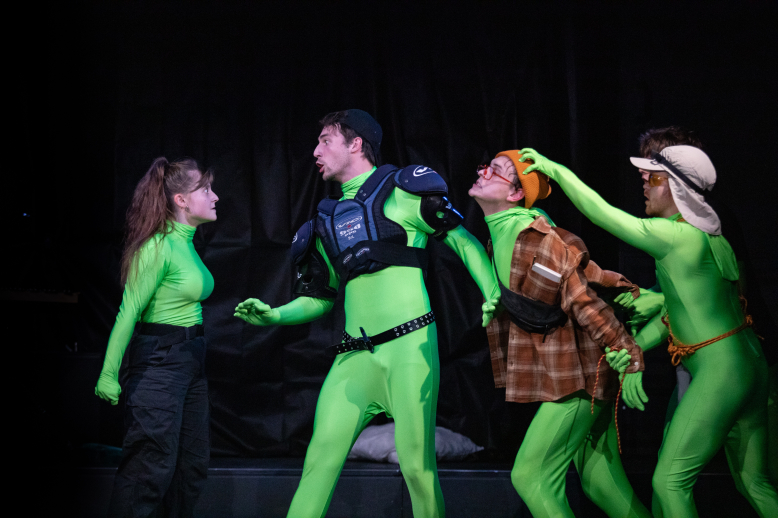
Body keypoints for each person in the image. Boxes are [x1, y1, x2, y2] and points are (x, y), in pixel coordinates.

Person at [235, 109, 499, 518]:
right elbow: (320, 298)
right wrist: (275, 316)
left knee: (417, 470)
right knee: (317, 464)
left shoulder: (403, 192)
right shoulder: (327, 220)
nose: (315, 151)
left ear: (356, 143)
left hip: (408, 350)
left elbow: (463, 242)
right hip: (353, 359)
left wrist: (492, 292)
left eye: (325, 140)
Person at [519, 145, 778, 517]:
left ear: (677, 188)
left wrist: (555, 170)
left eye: (653, 178)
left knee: (669, 483)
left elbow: (602, 213)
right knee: (754, 482)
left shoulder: (675, 236)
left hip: (722, 372)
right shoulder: (712, 235)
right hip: (752, 365)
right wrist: (633, 349)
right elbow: (680, 313)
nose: (644, 184)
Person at [470, 150, 649, 518]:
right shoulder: (501, 235)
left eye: (495, 170)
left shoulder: (536, 237)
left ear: (516, 193)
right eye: (487, 166)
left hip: (580, 377)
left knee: (531, 477)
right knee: (601, 484)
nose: (482, 172)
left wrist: (628, 351)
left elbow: (582, 299)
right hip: (571, 375)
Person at [95, 157, 219, 518]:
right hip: (160, 365)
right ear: (181, 200)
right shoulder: (158, 246)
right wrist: (108, 373)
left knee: (189, 469)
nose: (215, 196)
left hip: (191, 361)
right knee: (148, 469)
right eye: (205, 190)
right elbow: (129, 311)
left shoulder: (186, 243)